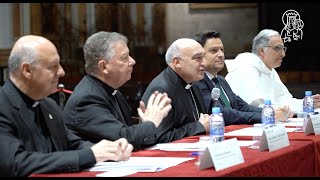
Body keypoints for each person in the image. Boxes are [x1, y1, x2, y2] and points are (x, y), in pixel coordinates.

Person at [0, 35, 133, 177]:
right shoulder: (3, 107)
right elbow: (15, 163)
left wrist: (108, 149)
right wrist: (90, 155)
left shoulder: (48, 106)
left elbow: (73, 144)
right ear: (27, 70)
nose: (61, 72)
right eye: (53, 66)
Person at [63, 31, 172, 150]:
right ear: (103, 66)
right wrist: (150, 123)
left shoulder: (111, 91)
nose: (132, 61)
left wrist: (144, 123)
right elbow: (122, 139)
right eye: (124, 58)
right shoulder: (87, 99)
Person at [192, 30, 289, 124]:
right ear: (200, 55)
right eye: (214, 51)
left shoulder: (220, 80)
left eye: (222, 50)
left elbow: (242, 106)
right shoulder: (198, 81)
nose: (221, 55)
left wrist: (270, 111)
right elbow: (222, 113)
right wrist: (263, 116)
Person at [224, 29, 320, 114]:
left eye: (283, 48)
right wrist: (279, 111)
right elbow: (252, 106)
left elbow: (284, 100)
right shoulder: (245, 67)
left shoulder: (269, 69)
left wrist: (306, 103)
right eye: (277, 48)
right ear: (261, 51)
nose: (283, 54)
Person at [141, 38, 210, 143]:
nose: (204, 63)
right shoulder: (161, 89)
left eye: (204, 57)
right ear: (177, 62)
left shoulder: (192, 83)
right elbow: (160, 137)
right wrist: (199, 127)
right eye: (197, 58)